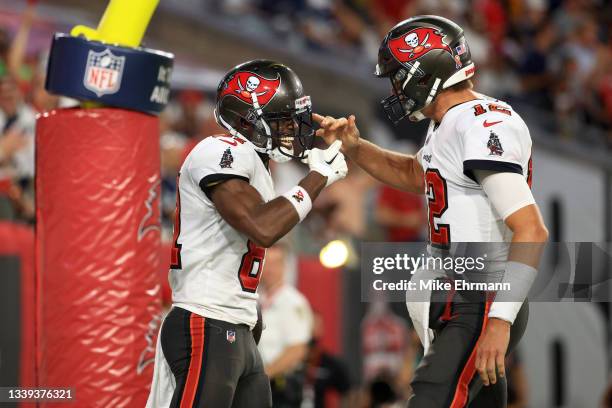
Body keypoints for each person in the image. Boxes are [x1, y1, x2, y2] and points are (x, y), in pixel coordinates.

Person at [314, 16, 548, 407]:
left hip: (478, 297)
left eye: (398, 75)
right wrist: (356, 147)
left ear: (426, 72)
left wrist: (499, 321)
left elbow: (531, 229)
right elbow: (414, 173)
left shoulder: (483, 125)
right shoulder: (451, 121)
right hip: (464, 297)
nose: (395, 87)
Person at [146, 60, 348, 408]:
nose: (290, 129)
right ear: (247, 121)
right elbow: (262, 227)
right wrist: (315, 179)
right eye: (281, 120)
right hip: (205, 318)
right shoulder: (220, 151)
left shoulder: (255, 163)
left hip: (236, 324)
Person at [258, 243, 313, 407]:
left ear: (284, 266)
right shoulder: (253, 299)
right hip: (258, 387)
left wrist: (262, 376)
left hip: (281, 388)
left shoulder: (294, 302)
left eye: (275, 264)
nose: (269, 269)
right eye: (266, 263)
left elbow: (297, 349)